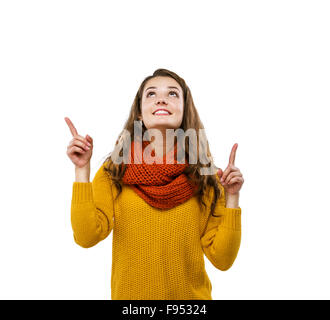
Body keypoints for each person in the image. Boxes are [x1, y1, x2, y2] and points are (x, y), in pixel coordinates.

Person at [65, 68, 244, 300]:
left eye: (172, 94)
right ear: (140, 113)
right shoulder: (115, 171)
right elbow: (86, 236)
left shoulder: (206, 177)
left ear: (184, 109)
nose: (161, 98)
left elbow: (223, 259)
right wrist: (82, 169)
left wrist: (232, 197)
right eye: (151, 94)